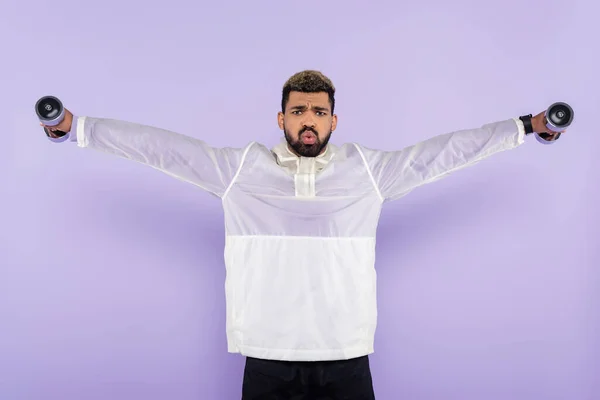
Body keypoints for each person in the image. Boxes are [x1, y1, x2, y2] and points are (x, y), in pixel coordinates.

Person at [42, 70, 566, 399]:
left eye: (318, 112)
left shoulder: (368, 171)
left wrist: (526, 126)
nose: (307, 121)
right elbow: (163, 149)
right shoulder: (240, 169)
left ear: (334, 121)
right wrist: (78, 127)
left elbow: (446, 152)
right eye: (298, 112)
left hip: (346, 357)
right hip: (267, 357)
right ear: (282, 118)